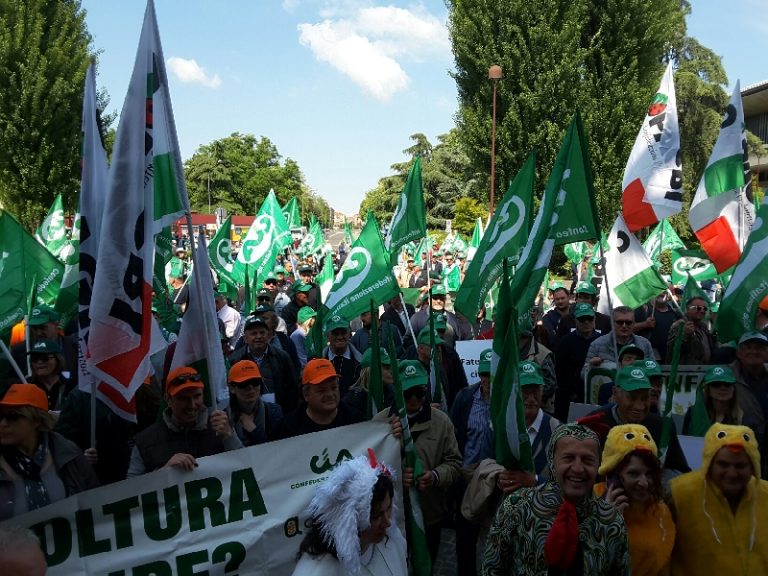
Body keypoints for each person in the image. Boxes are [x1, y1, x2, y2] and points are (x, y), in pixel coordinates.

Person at [481, 423, 630, 575]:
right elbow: (492, 568)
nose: (578, 468)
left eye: (587, 460)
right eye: (568, 458)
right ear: (552, 462)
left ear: (598, 465)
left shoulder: (611, 521)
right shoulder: (517, 506)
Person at [667, 423, 768, 573]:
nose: (732, 473)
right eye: (723, 464)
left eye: (740, 466)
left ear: (752, 467)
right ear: (709, 463)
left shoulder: (765, 495)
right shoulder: (678, 494)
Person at [292, 454, 407, 576]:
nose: (386, 523)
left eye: (388, 508)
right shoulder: (316, 572)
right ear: (349, 521)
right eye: (376, 516)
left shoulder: (391, 539)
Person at [0, 384, 98, 520]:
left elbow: (94, 505)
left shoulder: (69, 453)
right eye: (0, 416)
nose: (3, 424)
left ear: (37, 421)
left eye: (13, 417)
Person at [397, 360, 462, 565]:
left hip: (430, 513)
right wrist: (398, 477)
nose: (415, 399)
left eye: (420, 392)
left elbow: (455, 463)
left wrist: (434, 476)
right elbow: (370, 468)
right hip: (393, 517)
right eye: (408, 393)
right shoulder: (382, 422)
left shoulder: (441, 421)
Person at [127, 367, 242, 477]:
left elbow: (247, 466)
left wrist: (229, 438)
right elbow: (132, 489)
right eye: (183, 398)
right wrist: (164, 472)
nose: (191, 405)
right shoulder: (145, 441)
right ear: (168, 399)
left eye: (197, 396)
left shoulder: (221, 426)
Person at [598, 424, 675, 576]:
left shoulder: (660, 510)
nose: (644, 482)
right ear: (613, 475)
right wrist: (605, 521)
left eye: (649, 474)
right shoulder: (591, 502)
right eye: (634, 474)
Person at [584, 366, 690, 476]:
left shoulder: (661, 426)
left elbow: (681, 471)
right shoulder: (594, 424)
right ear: (615, 393)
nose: (639, 407)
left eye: (644, 398)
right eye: (632, 398)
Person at [273, 359, 365, 440]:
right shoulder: (288, 429)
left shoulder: (356, 420)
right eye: (322, 390)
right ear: (306, 394)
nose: (329, 394)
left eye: (333, 388)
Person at [229, 314, 300, 413]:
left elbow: (294, 387)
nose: (259, 336)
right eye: (254, 333)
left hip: (279, 415)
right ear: (245, 338)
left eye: (262, 333)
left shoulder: (282, 357)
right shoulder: (235, 360)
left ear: (268, 335)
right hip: (246, 416)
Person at [554, 302, 602, 421]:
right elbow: (560, 372)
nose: (586, 322)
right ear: (575, 320)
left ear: (594, 318)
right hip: (571, 398)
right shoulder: (565, 342)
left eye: (589, 318)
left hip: (596, 395)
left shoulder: (604, 341)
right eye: (582, 319)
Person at [582, 306, 654, 383]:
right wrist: (590, 365)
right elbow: (583, 375)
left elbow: (653, 372)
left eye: (628, 322)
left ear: (633, 324)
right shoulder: (596, 345)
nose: (624, 326)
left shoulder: (645, 344)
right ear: (612, 323)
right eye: (620, 322)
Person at [682, 365, 759, 436]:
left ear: (733, 389)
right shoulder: (693, 414)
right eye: (716, 384)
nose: (723, 388)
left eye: (727, 384)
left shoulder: (746, 418)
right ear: (708, 389)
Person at [227, 360, 283, 446]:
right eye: (243, 384)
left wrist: (253, 429)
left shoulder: (274, 411)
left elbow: (277, 449)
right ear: (232, 388)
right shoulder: (224, 418)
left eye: (255, 382)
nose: (250, 388)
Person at [342, 347, 396, 418]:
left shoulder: (393, 394)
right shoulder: (353, 401)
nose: (392, 371)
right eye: (387, 368)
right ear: (372, 371)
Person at [25, 340, 73, 413]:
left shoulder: (71, 383)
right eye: (34, 358)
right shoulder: (26, 385)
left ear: (57, 359)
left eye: (44, 358)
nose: (39, 362)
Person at [666, 296, 716, 364]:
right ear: (688, 309)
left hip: (703, 369)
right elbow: (672, 350)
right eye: (698, 308)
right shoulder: (680, 325)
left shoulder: (703, 326)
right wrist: (685, 335)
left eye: (704, 308)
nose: (702, 311)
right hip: (686, 371)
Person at [322, 315, 363, 398]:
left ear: (349, 334)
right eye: (335, 333)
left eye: (343, 333)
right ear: (327, 335)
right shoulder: (318, 361)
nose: (340, 337)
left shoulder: (360, 362)